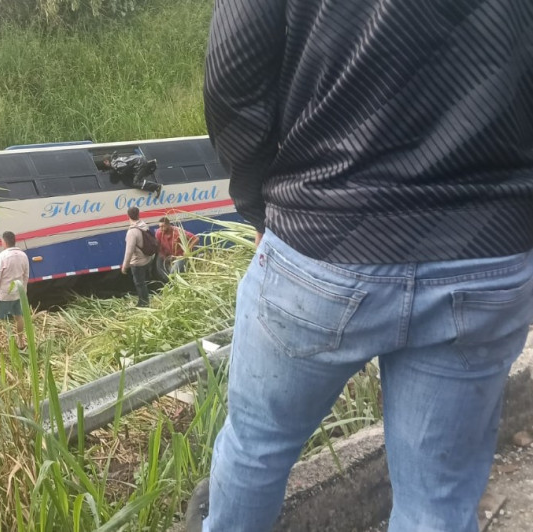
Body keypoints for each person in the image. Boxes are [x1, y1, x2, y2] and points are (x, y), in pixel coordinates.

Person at [191, 2, 533, 532]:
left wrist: (261, 207)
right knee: (437, 503)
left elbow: (234, 75)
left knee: (257, 447)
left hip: (321, 242)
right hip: (486, 250)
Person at [0, 231, 30, 351]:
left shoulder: (2, 256)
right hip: (18, 293)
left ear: (4, 242)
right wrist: (23, 291)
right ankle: (21, 343)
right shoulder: (23, 255)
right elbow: (26, 275)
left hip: (4, 295)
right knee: (18, 317)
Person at [121, 207, 156, 308]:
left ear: (128, 216)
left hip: (138, 262)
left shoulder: (132, 232)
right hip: (147, 259)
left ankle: (143, 303)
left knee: (139, 283)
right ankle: (146, 299)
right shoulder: (144, 225)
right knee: (144, 281)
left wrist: (125, 266)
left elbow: (129, 251)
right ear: (138, 214)